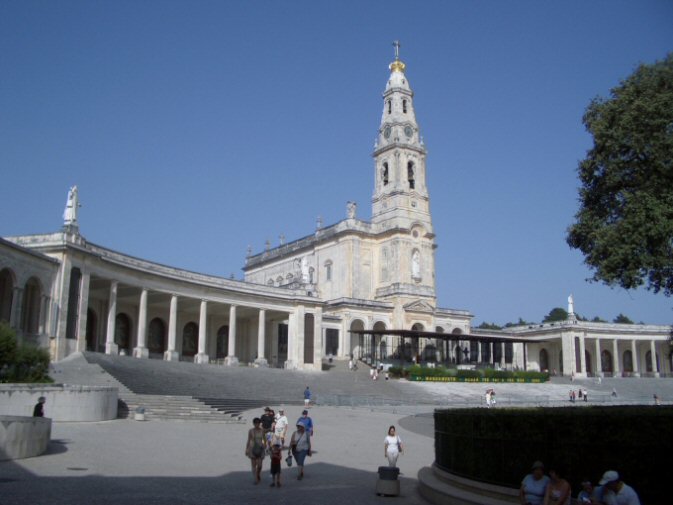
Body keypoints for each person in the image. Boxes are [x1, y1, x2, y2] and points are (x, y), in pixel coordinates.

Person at [245, 417, 266, 484]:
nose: (257, 424)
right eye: (255, 423)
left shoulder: (262, 430)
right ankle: (256, 478)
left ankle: (258, 473)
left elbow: (264, 439)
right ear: (253, 424)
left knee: (259, 465)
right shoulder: (251, 431)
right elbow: (248, 440)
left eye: (258, 423)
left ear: (260, 423)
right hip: (252, 448)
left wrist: (265, 444)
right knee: (254, 465)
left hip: (260, 448)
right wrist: (247, 449)